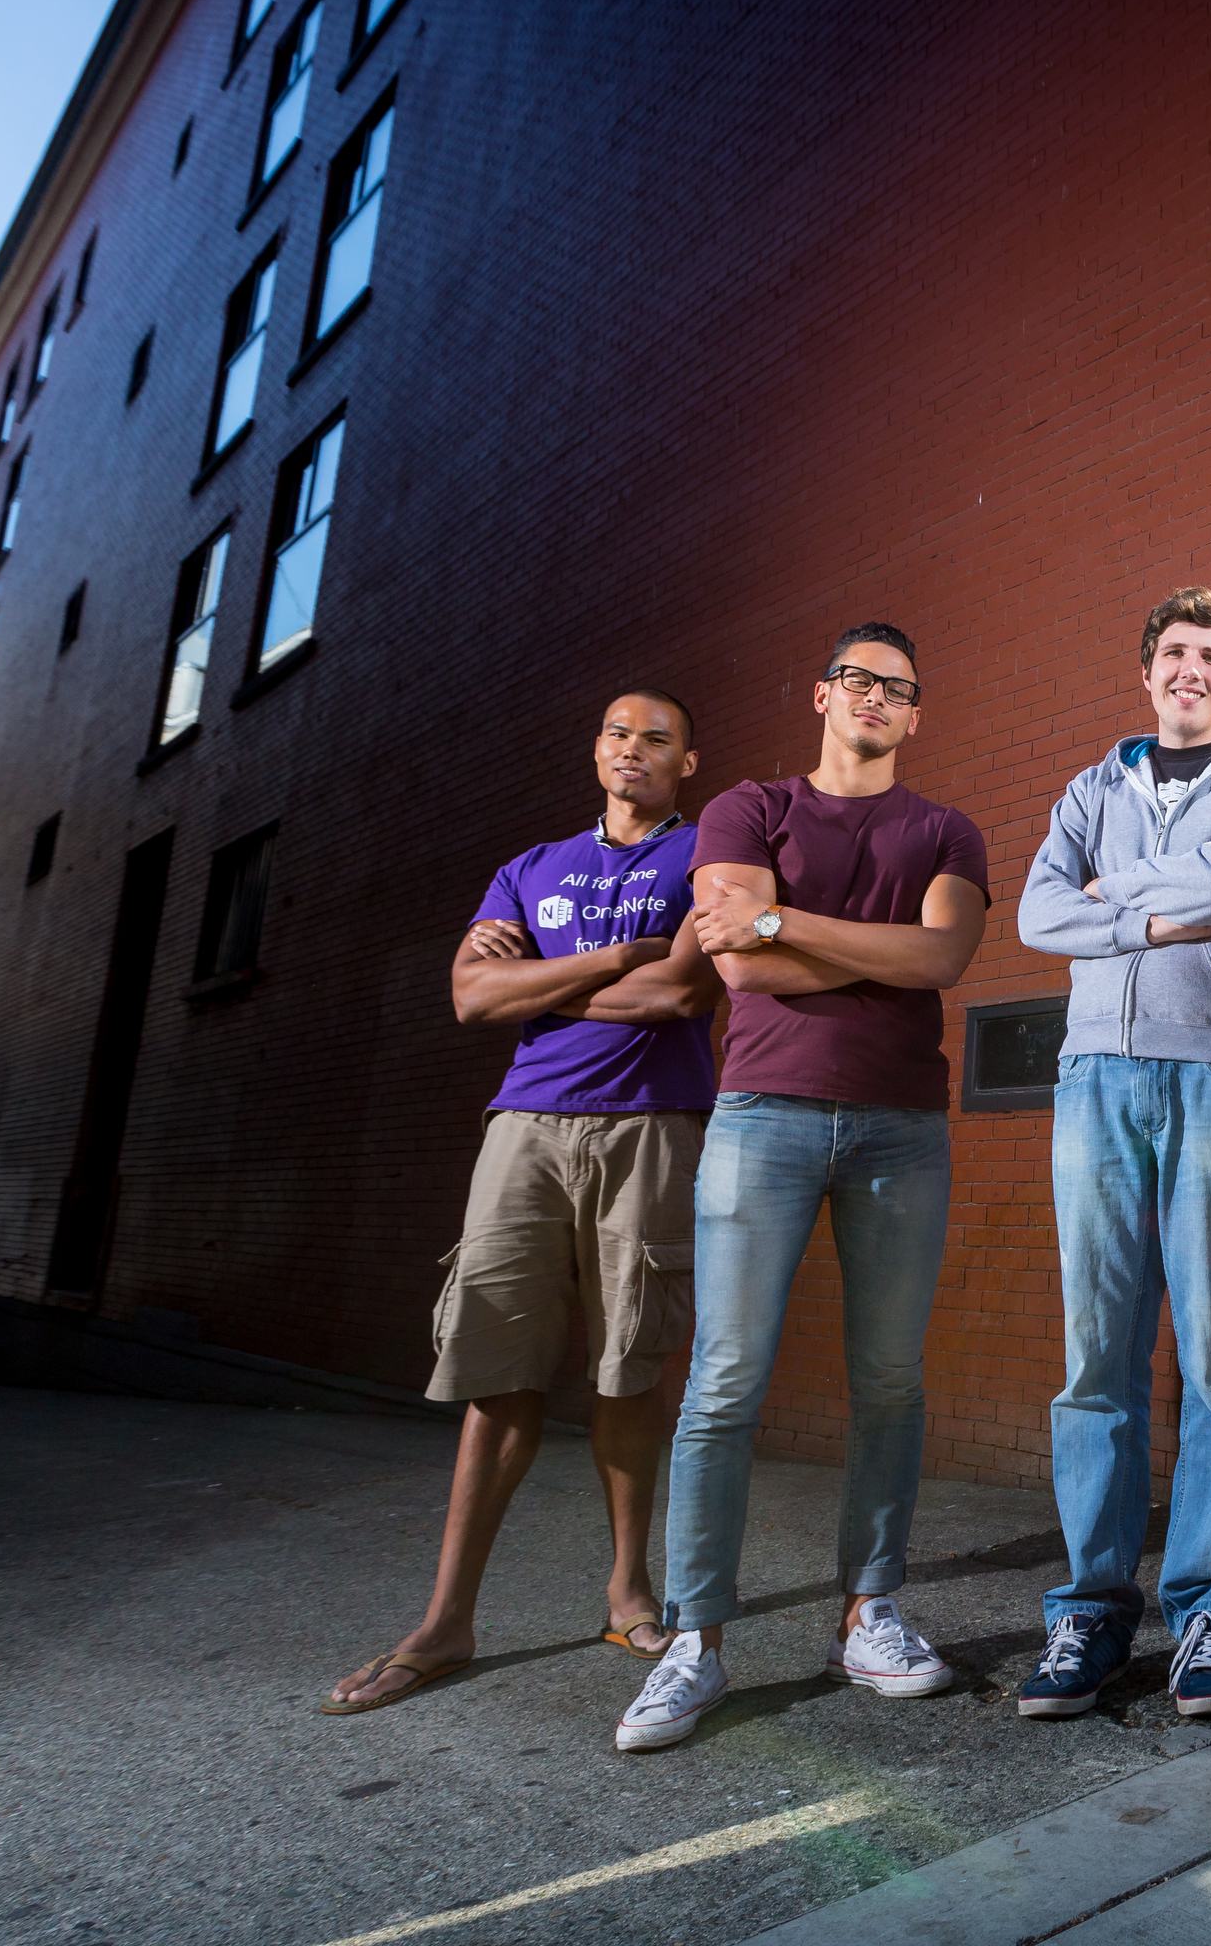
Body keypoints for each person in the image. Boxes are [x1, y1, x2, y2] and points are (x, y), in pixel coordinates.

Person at [615, 623, 991, 1753]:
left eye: (899, 689)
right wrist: (854, 944)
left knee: (889, 1379)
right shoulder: (746, 808)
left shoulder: (946, 827)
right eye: (859, 679)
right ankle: (696, 1640)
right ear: (823, 692)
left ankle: (869, 1611)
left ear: (915, 714)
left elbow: (941, 962)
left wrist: (784, 918)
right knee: (723, 1381)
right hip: (764, 1114)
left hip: (901, 1128)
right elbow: (734, 961)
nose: (876, 698)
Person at [325, 692, 722, 1715]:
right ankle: (447, 1618)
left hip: (655, 1120)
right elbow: (469, 996)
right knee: (497, 1372)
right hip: (526, 1125)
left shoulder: (706, 854)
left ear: (689, 760)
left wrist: (539, 981)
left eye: (656, 739)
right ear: (596, 749)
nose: (632, 750)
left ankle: (629, 1591)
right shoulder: (529, 866)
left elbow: (681, 995)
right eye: (616, 734)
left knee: (630, 1363)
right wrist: (610, 959)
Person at [1013, 588, 1211, 1720]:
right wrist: (1153, 916)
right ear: (1147, 669)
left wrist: (1108, 898)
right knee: (1095, 1357)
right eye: (1174, 650)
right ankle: (1090, 1609)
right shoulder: (1090, 786)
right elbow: (1034, 913)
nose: (1192, 669)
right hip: (1095, 1080)